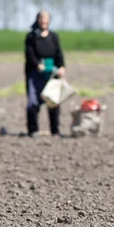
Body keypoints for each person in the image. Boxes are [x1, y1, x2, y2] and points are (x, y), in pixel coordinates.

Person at [24, 10, 67, 138]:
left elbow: (59, 53)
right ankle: (33, 130)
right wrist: (37, 64)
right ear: (38, 20)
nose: (44, 21)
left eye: (46, 19)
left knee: (53, 101)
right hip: (35, 74)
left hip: (51, 73)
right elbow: (29, 54)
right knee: (33, 102)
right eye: (42, 18)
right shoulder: (31, 36)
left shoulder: (53, 36)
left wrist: (62, 67)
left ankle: (55, 130)